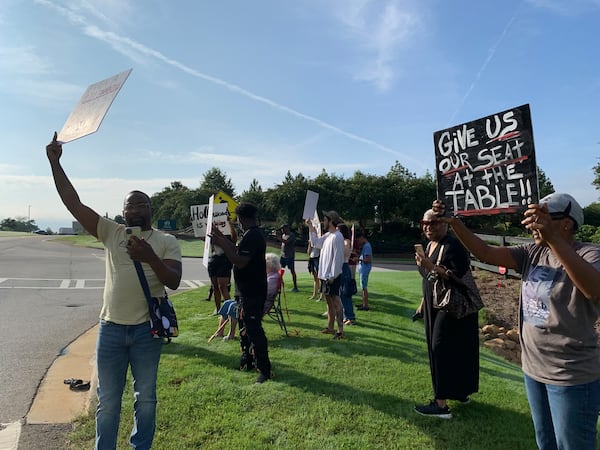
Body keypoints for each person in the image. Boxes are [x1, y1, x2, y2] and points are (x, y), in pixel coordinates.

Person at [46, 132, 182, 449]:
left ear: (151, 208)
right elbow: (73, 202)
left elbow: (173, 280)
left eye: (140, 204)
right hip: (110, 329)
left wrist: (149, 256)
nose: (134, 209)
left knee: (145, 398)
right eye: (128, 205)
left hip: (146, 332)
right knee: (108, 402)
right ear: (122, 212)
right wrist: (55, 164)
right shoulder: (111, 232)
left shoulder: (166, 241)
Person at [433, 194, 600, 448]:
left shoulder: (589, 254)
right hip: (534, 369)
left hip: (571, 375)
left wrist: (552, 239)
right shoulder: (532, 252)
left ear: (566, 224)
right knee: (546, 443)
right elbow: (485, 252)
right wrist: (456, 223)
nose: (532, 224)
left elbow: (594, 290)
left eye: (541, 218)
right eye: (531, 218)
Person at [413, 208, 479, 419]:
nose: (428, 227)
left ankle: (441, 404)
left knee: (439, 347)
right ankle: (460, 392)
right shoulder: (430, 245)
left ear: (445, 224)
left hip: (453, 306)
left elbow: (456, 272)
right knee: (454, 347)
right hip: (436, 303)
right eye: (425, 223)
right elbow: (430, 279)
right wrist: (423, 301)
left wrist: (430, 266)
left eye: (433, 223)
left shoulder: (453, 245)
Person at [209, 202, 272, 384]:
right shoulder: (249, 234)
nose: (236, 222)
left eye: (236, 219)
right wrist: (221, 237)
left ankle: (265, 370)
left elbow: (239, 260)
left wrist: (220, 241)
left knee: (254, 330)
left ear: (242, 218)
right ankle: (248, 361)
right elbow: (236, 251)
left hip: (253, 291)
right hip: (245, 290)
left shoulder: (253, 236)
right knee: (245, 328)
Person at [306, 210, 345, 340]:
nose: (323, 222)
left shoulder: (337, 237)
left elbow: (338, 258)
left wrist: (332, 275)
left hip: (332, 276)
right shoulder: (328, 235)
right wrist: (311, 227)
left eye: (325, 219)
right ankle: (330, 327)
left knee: (336, 302)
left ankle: (340, 331)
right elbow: (316, 243)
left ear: (331, 221)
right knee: (329, 302)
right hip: (325, 275)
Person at [207, 220, 237, 315]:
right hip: (214, 259)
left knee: (222, 286)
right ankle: (218, 309)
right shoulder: (212, 233)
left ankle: (230, 310)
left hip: (225, 259)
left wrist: (229, 222)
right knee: (215, 286)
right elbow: (204, 238)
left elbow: (234, 238)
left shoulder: (227, 234)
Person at [337, 223, 356, 325]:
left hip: (345, 267)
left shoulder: (346, 242)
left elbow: (344, 252)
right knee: (341, 294)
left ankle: (350, 316)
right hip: (340, 267)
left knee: (346, 294)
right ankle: (346, 315)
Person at [277, 224, 299, 292]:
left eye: (283, 229)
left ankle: (295, 287)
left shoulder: (291, 235)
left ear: (287, 228)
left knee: (292, 271)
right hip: (283, 256)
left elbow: (286, 242)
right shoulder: (283, 235)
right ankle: (279, 285)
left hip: (289, 256)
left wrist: (279, 238)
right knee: (280, 271)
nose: (282, 230)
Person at [355, 231, 372, 311]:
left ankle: (365, 305)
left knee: (364, 287)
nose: (358, 242)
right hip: (363, 269)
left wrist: (358, 259)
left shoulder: (367, 246)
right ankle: (364, 303)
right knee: (362, 287)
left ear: (362, 238)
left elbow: (368, 259)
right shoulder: (365, 246)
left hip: (365, 269)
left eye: (358, 240)